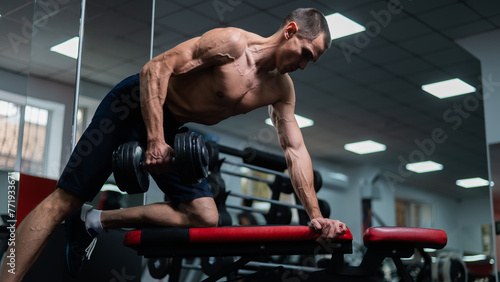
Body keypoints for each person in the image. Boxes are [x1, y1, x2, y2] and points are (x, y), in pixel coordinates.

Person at [0, 7, 347, 281]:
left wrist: (315, 216)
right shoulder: (232, 44)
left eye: (310, 61)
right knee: (63, 201)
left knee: (204, 214)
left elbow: (295, 150)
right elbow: (155, 69)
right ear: (290, 31)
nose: (303, 65)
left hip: (171, 123)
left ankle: (93, 221)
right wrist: (155, 139)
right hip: (133, 103)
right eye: (304, 53)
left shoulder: (281, 89)